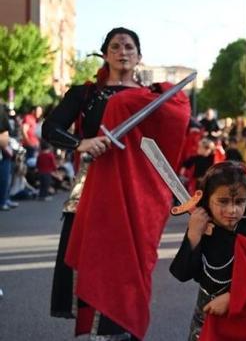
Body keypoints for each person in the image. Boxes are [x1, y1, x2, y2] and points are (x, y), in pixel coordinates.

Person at [42, 27, 191, 340]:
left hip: (134, 194)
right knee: (97, 266)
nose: (123, 52)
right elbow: (51, 128)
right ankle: (99, 333)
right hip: (91, 191)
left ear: (139, 56)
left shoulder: (152, 97)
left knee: (128, 268)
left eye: (129, 47)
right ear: (105, 53)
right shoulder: (86, 94)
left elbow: (163, 143)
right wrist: (81, 143)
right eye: (115, 46)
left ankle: (121, 329)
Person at [170, 161, 246, 341]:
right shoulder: (202, 229)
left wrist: (233, 298)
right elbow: (182, 273)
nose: (232, 210)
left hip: (244, 322)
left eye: (239, 202)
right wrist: (194, 234)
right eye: (223, 201)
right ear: (207, 200)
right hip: (205, 318)